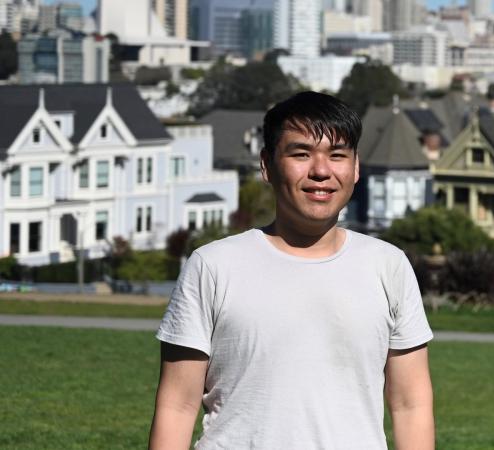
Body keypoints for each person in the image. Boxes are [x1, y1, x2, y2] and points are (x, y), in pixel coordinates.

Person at [149, 91, 434, 449]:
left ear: (356, 167)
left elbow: (410, 405)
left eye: (337, 155)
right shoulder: (211, 266)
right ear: (267, 165)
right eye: (301, 154)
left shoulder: (389, 266)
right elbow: (177, 405)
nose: (321, 171)